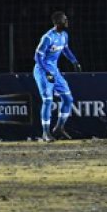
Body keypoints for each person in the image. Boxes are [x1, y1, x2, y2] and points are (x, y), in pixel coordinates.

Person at [33, 11, 82, 142]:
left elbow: (65, 49)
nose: (67, 21)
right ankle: (45, 133)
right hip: (42, 70)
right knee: (48, 100)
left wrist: (74, 61)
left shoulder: (64, 35)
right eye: (65, 19)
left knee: (68, 98)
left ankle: (59, 128)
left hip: (55, 70)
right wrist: (47, 72)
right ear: (59, 22)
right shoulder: (48, 37)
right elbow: (37, 56)